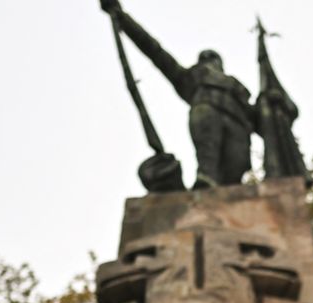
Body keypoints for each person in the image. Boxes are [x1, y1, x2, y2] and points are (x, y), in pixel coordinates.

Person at [101, 0, 254, 188]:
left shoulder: (236, 86)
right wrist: (123, 19)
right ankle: (205, 188)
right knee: (208, 166)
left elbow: (256, 117)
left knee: (236, 171)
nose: (209, 63)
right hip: (206, 111)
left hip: (238, 123)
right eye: (205, 58)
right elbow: (154, 50)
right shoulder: (189, 77)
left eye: (213, 59)